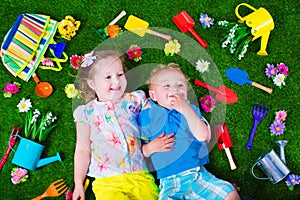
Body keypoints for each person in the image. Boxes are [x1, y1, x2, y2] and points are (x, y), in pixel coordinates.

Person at [138, 63, 241, 200]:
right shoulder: (148, 115)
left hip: (197, 176)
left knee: (230, 194)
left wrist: (185, 108)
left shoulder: (191, 110)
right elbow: (136, 151)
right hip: (169, 183)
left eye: (180, 85)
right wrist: (150, 148)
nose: (174, 89)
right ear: (153, 95)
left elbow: (203, 135)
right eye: (166, 86)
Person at [72, 50, 161, 200]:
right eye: (108, 77)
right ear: (93, 83)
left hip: (140, 176)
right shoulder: (86, 113)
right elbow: (82, 150)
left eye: (120, 74)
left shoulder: (134, 99)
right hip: (107, 181)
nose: (116, 81)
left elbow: (153, 119)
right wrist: (78, 183)